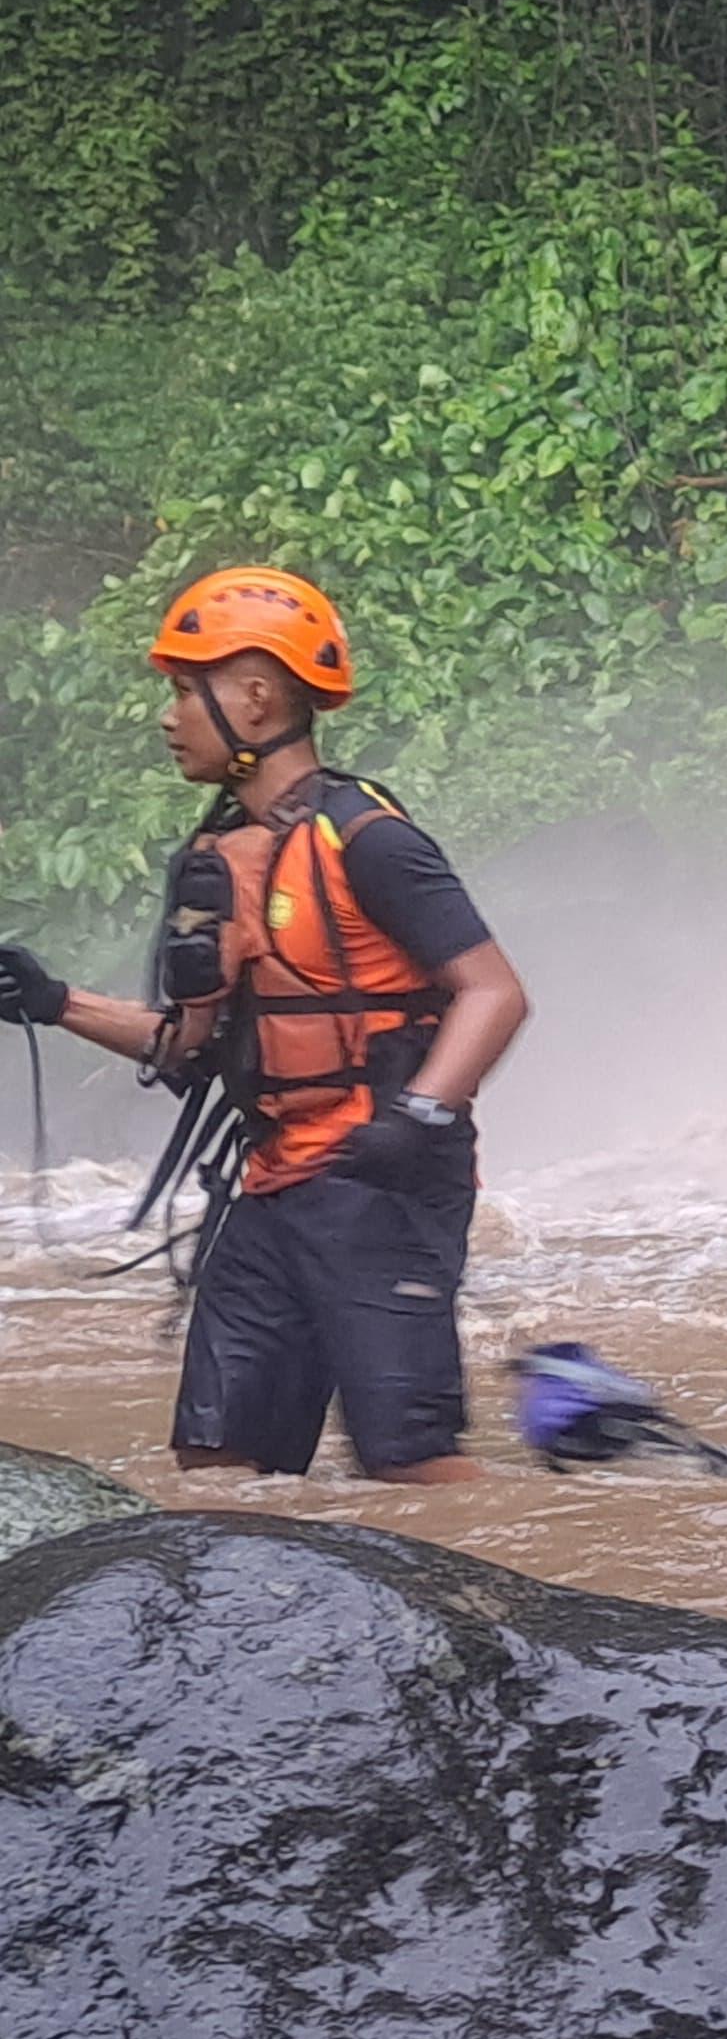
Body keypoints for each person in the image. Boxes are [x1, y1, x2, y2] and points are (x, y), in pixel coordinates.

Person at [0, 566, 531, 1485]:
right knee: (216, 1458)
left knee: (413, 1466)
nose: (167, 718)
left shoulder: (368, 839)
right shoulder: (217, 858)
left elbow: (494, 992)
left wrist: (421, 1117)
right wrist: (56, 1003)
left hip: (383, 1186)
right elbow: (190, 1045)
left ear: (254, 697)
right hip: (274, 1188)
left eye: (182, 690)